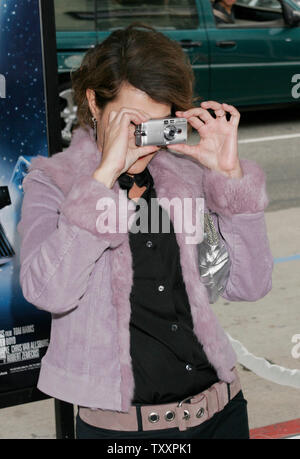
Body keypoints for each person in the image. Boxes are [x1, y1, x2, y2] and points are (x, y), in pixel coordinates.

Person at [17, 23, 273, 439]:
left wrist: (230, 180)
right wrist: (102, 181)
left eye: (158, 124)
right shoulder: (54, 183)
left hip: (222, 413)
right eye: (131, 121)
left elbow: (249, 284)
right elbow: (48, 292)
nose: (145, 140)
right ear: (94, 105)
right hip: (125, 433)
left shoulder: (184, 176)